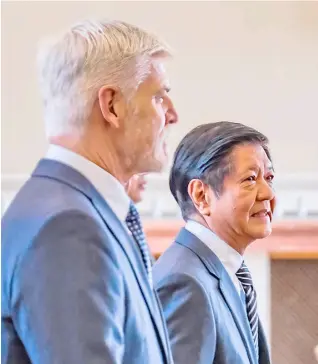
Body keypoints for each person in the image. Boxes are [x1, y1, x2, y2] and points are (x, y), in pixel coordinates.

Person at [1, 19, 178, 364]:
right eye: (159, 96)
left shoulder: (77, 210)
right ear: (111, 105)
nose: (173, 115)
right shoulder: (68, 227)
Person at [153, 121, 276, 364]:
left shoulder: (227, 273)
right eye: (250, 179)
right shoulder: (184, 282)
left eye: (269, 177)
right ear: (201, 195)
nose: (268, 193)